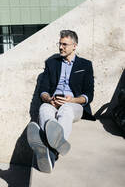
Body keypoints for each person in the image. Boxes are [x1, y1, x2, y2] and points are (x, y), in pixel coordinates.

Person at [27, 30, 94, 173]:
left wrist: (73, 100)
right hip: (53, 102)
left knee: (66, 110)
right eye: (60, 44)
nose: (61, 47)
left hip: (74, 105)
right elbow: (43, 90)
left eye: (65, 44)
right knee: (44, 109)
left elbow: (89, 95)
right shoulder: (51, 63)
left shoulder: (85, 65)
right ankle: (54, 152)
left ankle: (46, 146)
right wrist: (49, 99)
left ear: (74, 46)